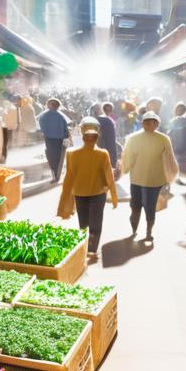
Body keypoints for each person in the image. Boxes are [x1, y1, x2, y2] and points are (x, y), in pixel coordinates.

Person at [57, 117, 118, 257]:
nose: (90, 138)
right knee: (84, 224)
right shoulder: (73, 154)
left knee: (93, 223)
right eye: (88, 135)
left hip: (96, 193)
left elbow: (109, 176)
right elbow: (69, 178)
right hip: (83, 194)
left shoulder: (102, 154)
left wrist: (114, 196)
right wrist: (62, 202)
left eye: (93, 136)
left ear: (96, 136)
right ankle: (88, 248)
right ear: (83, 135)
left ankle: (91, 250)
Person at [120, 111, 178, 241]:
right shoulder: (133, 138)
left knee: (150, 206)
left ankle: (149, 231)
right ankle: (134, 228)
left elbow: (170, 158)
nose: (150, 124)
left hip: (155, 180)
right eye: (146, 122)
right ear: (142, 123)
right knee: (135, 206)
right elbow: (127, 156)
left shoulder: (164, 139)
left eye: (153, 122)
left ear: (157, 124)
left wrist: (171, 175)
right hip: (136, 179)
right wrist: (125, 169)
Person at [38, 97, 70, 183]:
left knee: (52, 157)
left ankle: (55, 174)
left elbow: (41, 128)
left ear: (49, 106)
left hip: (49, 139)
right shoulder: (60, 116)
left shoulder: (44, 116)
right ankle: (57, 174)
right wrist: (66, 136)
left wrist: (44, 134)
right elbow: (65, 129)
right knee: (58, 157)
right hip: (59, 140)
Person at [96, 102, 119, 169]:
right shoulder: (107, 120)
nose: (108, 111)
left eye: (110, 110)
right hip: (107, 144)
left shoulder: (99, 119)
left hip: (101, 144)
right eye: (106, 109)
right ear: (103, 110)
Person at [1, 94, 21, 163]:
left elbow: (11, 118)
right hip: (8, 126)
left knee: (7, 140)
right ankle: (10, 148)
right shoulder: (11, 108)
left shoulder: (11, 108)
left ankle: (10, 148)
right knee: (8, 140)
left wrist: (13, 125)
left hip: (8, 126)